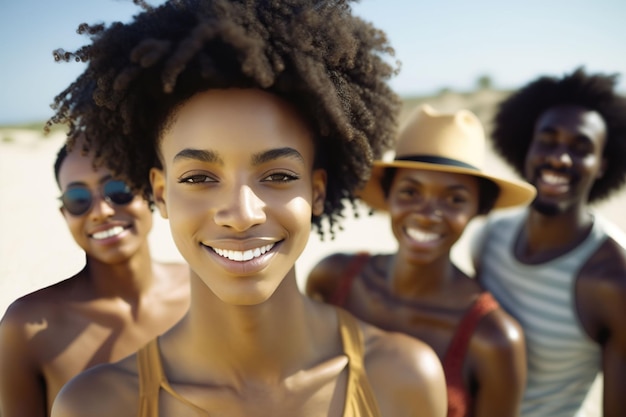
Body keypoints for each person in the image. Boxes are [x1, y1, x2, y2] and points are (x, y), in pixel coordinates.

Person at [46, 1, 448, 416]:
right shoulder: (95, 406)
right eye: (199, 178)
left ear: (317, 191)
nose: (241, 214)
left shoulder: (403, 378)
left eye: (277, 176)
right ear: (161, 193)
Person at [307, 104, 536, 417]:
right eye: (410, 192)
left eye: (455, 199)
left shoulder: (494, 338)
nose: (427, 215)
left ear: (478, 209)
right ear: (388, 197)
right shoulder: (331, 278)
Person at [470, 68, 626, 417]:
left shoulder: (614, 277)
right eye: (548, 139)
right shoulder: (489, 237)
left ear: (602, 164)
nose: (559, 157)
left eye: (580, 147)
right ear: (528, 145)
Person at [0, 142, 191, 417]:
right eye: (78, 199)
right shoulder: (25, 327)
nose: (101, 211)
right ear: (64, 214)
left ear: (153, 192)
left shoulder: (204, 293)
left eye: (118, 190)